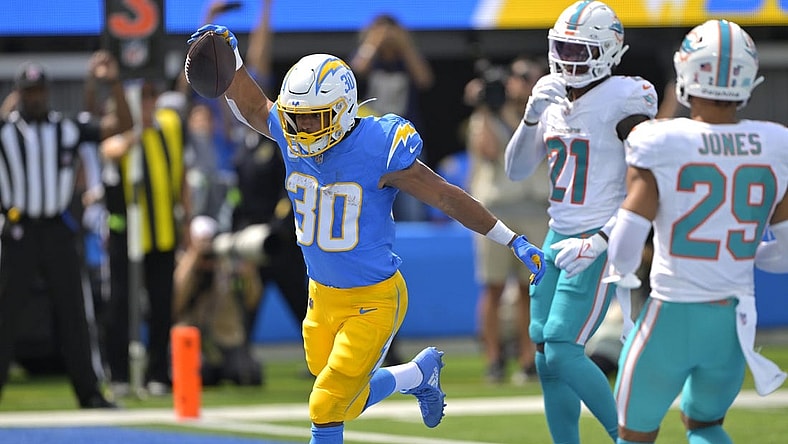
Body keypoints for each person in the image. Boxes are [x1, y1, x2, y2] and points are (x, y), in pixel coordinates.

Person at [186, 24, 546, 444]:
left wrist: (511, 239)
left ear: (342, 110)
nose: (303, 127)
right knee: (345, 399)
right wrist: (233, 59)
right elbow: (252, 106)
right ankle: (417, 374)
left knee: (325, 404)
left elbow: (446, 197)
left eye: (315, 117)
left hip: (373, 300)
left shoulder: (378, 147)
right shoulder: (289, 131)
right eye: (297, 116)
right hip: (321, 296)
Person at [604, 19, 788, 444]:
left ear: (686, 73)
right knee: (705, 426)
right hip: (733, 319)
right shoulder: (775, 144)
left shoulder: (659, 139)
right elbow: (785, 255)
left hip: (672, 312)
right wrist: (745, 255)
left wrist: (619, 276)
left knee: (633, 435)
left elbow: (626, 243)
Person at [503, 1, 658, 442]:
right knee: (544, 355)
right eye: (562, 48)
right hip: (557, 232)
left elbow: (650, 173)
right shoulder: (550, 95)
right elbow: (516, 170)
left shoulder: (625, 96)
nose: (567, 60)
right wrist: (531, 116)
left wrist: (607, 237)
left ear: (608, 51)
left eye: (579, 51)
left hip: (597, 235)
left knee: (561, 348)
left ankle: (627, 438)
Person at [0, 52, 132, 409]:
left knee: (74, 312)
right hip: (18, 231)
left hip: (57, 230)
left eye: (39, 91)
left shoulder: (67, 128)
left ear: (48, 92)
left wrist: (114, 83)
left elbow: (121, 124)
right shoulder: (6, 131)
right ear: (18, 95)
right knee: (6, 314)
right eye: (28, 92)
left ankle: (89, 392)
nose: (35, 98)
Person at [101, 79, 189, 396]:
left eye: (151, 97)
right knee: (120, 304)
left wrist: (187, 220)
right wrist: (133, 135)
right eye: (142, 98)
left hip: (163, 232)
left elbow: (181, 174)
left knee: (162, 306)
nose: (147, 103)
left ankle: (157, 374)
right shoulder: (121, 130)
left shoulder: (170, 126)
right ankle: (119, 375)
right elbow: (108, 150)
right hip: (127, 234)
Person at [464, 56, 549, 384]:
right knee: (494, 286)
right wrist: (486, 108)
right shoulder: (487, 116)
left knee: (531, 288)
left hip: (535, 208)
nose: (520, 84)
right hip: (497, 211)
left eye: (527, 77)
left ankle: (529, 359)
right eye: (517, 77)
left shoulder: (545, 115)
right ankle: (494, 359)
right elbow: (486, 150)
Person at [350, 13, 434, 222]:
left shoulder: (405, 60)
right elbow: (356, 71)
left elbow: (425, 79)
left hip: (404, 140)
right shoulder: (369, 58)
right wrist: (372, 42)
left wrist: (405, 45)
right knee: (370, 202)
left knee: (412, 206)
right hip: (370, 140)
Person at [173, 216, 263, 386]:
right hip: (192, 339)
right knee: (202, 373)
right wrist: (194, 258)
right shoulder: (182, 263)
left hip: (226, 338)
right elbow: (176, 302)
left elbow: (252, 302)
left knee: (248, 374)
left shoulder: (228, 266)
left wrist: (250, 274)